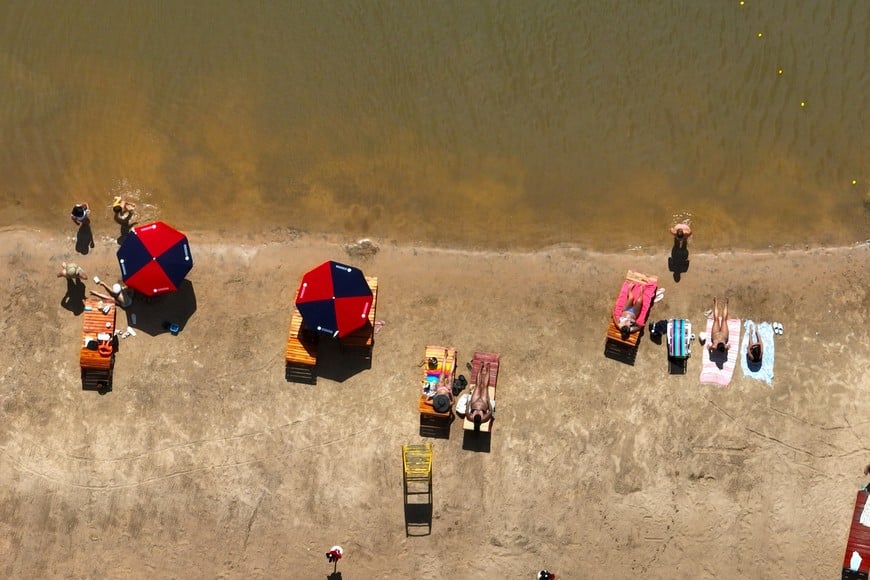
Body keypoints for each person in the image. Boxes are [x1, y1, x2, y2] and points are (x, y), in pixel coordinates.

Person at [467, 361, 493, 431]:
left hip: (474, 401)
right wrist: (488, 402)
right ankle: (488, 369)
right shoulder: (484, 419)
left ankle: (481, 367)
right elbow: (490, 411)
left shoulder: (470, 418)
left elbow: (467, 411)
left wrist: (469, 402)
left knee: (477, 385)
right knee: (485, 386)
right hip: (484, 403)